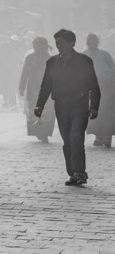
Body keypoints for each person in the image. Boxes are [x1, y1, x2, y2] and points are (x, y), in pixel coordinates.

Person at [34, 29, 101, 186]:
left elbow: (93, 85)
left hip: (79, 106)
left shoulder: (84, 61)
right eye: (57, 43)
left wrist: (94, 106)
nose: (59, 46)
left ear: (72, 43)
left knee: (76, 137)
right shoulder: (51, 62)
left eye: (62, 43)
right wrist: (39, 105)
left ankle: (79, 172)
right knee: (67, 141)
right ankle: (72, 172)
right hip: (61, 106)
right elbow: (46, 85)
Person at [19, 37, 54, 142]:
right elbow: (25, 73)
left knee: (46, 113)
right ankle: (38, 132)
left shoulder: (49, 58)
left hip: (46, 89)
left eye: (37, 45)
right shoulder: (29, 58)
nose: (35, 47)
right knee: (34, 112)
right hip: (33, 89)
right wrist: (22, 87)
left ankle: (44, 133)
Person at [83, 32, 115, 147]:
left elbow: (113, 68)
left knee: (107, 113)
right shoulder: (84, 54)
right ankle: (98, 137)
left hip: (106, 86)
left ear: (97, 42)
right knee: (94, 111)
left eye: (94, 41)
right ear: (87, 42)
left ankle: (107, 137)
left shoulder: (104, 54)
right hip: (91, 87)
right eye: (90, 41)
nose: (92, 43)